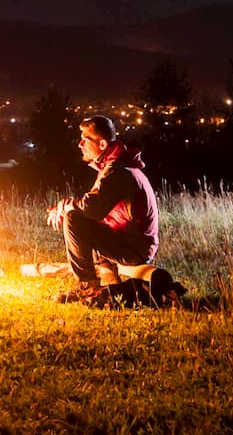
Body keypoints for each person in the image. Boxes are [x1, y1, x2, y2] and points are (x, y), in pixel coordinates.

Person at [47, 114, 159, 304]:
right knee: (78, 216)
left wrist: (65, 207)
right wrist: (65, 208)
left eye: (85, 139)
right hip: (131, 242)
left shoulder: (117, 171)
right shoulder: (115, 166)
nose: (80, 144)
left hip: (135, 248)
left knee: (74, 218)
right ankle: (105, 281)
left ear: (102, 145)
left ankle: (89, 288)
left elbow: (91, 209)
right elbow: (96, 207)